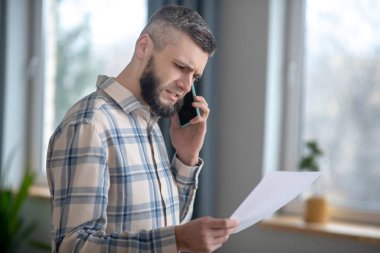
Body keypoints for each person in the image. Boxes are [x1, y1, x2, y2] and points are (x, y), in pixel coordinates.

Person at [46, 5, 238, 253]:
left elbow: (169, 224)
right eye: (180, 66)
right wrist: (178, 239)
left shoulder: (148, 123)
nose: (186, 85)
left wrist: (186, 157)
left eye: (195, 77)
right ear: (144, 47)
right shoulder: (89, 126)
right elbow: (73, 247)